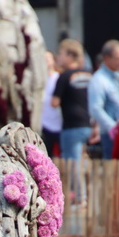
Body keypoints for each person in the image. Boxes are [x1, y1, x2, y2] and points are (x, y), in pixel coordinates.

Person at [51, 39, 92, 202]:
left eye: (61, 54)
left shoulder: (64, 76)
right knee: (82, 160)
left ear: (70, 55)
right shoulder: (88, 74)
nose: (58, 58)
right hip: (86, 124)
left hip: (71, 126)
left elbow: (54, 102)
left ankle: (80, 195)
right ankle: (83, 192)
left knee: (72, 162)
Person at [87, 40, 119, 159]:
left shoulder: (118, 77)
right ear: (106, 58)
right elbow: (95, 108)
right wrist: (113, 128)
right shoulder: (99, 80)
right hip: (110, 136)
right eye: (118, 58)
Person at [41, 50, 62, 157]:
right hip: (44, 124)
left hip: (59, 122)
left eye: (47, 58)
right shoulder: (39, 81)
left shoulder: (59, 78)